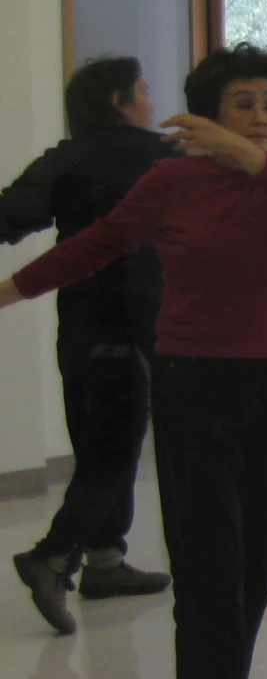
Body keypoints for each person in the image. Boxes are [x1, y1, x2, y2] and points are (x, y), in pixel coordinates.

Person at [1, 45, 267, 679]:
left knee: (255, 562)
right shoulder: (172, 181)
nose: (262, 116)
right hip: (195, 383)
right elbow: (96, 245)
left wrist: (247, 155)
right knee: (210, 562)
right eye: (243, 103)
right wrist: (8, 291)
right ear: (209, 114)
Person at [3, 57, 177, 633]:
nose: (151, 102)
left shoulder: (65, 157)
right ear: (119, 102)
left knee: (96, 434)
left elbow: (9, 214)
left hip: (77, 317)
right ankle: (51, 558)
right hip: (132, 320)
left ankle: (106, 562)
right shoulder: (160, 157)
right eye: (144, 92)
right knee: (115, 447)